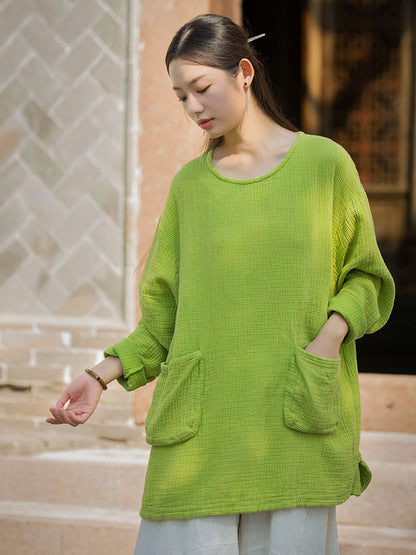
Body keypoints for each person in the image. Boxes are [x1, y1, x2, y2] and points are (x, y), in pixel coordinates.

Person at [47, 13, 395, 555]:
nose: (193, 107)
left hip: (294, 423)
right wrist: (99, 375)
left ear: (244, 73)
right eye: (180, 96)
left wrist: (328, 338)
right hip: (202, 434)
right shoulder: (190, 187)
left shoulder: (324, 164)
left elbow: (367, 277)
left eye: (201, 88)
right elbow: (162, 320)